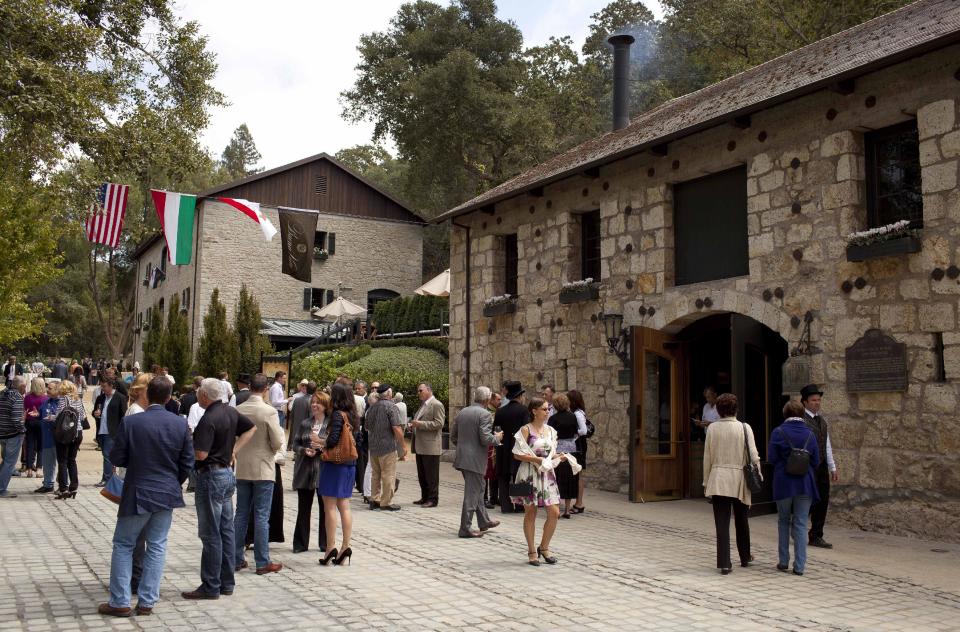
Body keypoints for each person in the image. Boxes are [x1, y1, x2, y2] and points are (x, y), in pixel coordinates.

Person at [97, 377, 194, 618]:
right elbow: (187, 462)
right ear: (170, 397)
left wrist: (138, 463)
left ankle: (120, 601)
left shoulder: (132, 423)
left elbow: (117, 457)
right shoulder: (180, 424)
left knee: (123, 544)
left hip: (138, 490)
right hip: (166, 491)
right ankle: (147, 601)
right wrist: (173, 481)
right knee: (157, 545)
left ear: (148, 395)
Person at [182, 378, 256, 600]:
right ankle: (226, 582)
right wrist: (234, 450)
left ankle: (211, 585)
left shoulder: (208, 418)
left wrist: (190, 443)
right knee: (226, 530)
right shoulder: (229, 411)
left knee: (210, 533)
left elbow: (201, 454)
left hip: (211, 475)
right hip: (226, 474)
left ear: (204, 395)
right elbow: (250, 428)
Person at [512, 397, 577, 565]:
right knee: (530, 512)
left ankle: (544, 547)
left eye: (548, 409)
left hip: (547, 475)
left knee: (554, 512)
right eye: (544, 409)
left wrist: (560, 457)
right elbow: (516, 454)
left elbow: (550, 454)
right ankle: (532, 551)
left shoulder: (550, 430)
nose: (548, 412)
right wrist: (537, 460)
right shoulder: (525, 430)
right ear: (534, 411)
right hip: (528, 474)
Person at [703, 393, 761, 575]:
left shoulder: (712, 429)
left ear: (719, 410)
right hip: (739, 479)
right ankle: (744, 556)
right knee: (742, 520)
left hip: (719, 477)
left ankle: (724, 562)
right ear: (736, 409)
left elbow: (707, 457)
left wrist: (706, 481)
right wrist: (759, 474)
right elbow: (753, 455)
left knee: (722, 523)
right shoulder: (745, 427)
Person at [234, 374, 285, 575]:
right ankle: (262, 561)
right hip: (263, 466)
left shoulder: (239, 409)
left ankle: (236, 557)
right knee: (262, 516)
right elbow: (277, 442)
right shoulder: (269, 411)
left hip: (243, 466)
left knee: (241, 513)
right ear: (265, 389)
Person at [769, 400, 821, 576]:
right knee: (800, 523)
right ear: (801, 414)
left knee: (783, 520)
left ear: (785, 414)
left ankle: (783, 561)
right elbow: (816, 461)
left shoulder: (778, 432)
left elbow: (772, 458)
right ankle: (799, 566)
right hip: (805, 483)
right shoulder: (810, 434)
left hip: (784, 482)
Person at [451, 386, 503, 537]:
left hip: (463, 458)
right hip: (474, 460)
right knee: (472, 493)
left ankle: (484, 521)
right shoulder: (485, 414)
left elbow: (454, 436)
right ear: (487, 400)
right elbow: (485, 438)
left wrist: (464, 447)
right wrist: (497, 438)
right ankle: (465, 528)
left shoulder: (463, 411)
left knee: (479, 489)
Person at [318, 383, 357, 566]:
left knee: (330, 507)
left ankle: (330, 547)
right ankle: (345, 547)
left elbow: (333, 439)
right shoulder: (353, 415)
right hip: (349, 464)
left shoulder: (336, 414)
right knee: (345, 505)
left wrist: (321, 443)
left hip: (334, 464)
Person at [292, 391, 330, 553]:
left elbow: (335, 446)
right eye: (313, 402)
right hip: (305, 472)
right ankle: (300, 544)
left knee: (325, 509)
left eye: (318, 403)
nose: (314, 405)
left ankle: (325, 543)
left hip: (324, 472)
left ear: (325, 406)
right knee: (303, 509)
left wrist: (322, 447)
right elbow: (295, 445)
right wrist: (303, 450)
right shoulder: (305, 423)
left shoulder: (331, 424)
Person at [801, 384, 838, 549]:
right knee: (808, 500)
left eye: (818, 400)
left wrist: (832, 466)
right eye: (813, 400)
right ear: (805, 402)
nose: (817, 403)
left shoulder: (822, 421)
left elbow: (827, 444)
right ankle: (798, 528)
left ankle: (816, 534)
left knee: (823, 500)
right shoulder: (802, 420)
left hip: (821, 466)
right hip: (808, 466)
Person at [365, 384, 406, 511]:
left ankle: (375, 499)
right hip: (387, 446)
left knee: (375, 475)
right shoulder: (391, 406)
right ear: (388, 393)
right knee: (388, 474)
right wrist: (403, 446)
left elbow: (367, 426)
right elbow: (396, 428)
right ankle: (386, 502)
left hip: (374, 446)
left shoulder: (372, 408)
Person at [548, 392, 585, 518]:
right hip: (571, 449)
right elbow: (576, 431)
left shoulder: (553, 419)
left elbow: (550, 434)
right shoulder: (573, 417)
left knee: (557, 478)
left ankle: (557, 508)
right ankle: (568, 510)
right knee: (569, 479)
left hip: (558, 451)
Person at [410, 382, 445, 508]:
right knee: (422, 474)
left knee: (431, 475)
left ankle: (432, 499)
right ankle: (424, 497)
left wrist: (420, 424)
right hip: (420, 445)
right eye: (418, 391)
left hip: (431, 447)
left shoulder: (436, 404)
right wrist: (413, 426)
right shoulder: (423, 405)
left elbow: (439, 424)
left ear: (429, 390)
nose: (418, 393)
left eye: (420, 390)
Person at [495, 381, 527, 513]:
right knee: (519, 475)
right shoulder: (523, 411)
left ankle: (506, 505)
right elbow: (526, 430)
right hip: (518, 447)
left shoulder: (500, 411)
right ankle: (519, 505)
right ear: (519, 396)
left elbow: (495, 430)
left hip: (503, 448)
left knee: (504, 476)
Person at [54, 380, 86, 499]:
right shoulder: (78, 399)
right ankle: (74, 486)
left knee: (62, 461)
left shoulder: (63, 399)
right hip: (78, 432)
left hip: (65, 433)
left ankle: (63, 489)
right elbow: (82, 416)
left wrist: (51, 417)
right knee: (72, 460)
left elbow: (58, 416)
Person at [93, 380, 128, 487]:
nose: (102, 388)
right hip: (101, 431)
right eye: (101, 386)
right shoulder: (101, 398)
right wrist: (95, 413)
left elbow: (124, 416)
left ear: (111, 386)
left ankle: (106, 479)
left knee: (107, 455)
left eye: (104, 386)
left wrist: (122, 433)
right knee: (107, 455)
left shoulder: (120, 398)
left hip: (112, 432)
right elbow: (95, 411)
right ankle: (111, 477)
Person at [0, 377, 26, 498]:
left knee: (5, 462)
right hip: (12, 434)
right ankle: (1, 489)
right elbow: (16, 420)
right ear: (21, 386)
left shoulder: (3, 394)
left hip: (2, 433)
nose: (25, 388)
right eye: (25, 386)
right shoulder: (17, 397)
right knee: (9, 463)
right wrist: (23, 430)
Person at [36, 381, 61, 493]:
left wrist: (54, 417)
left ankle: (63, 485)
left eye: (50, 388)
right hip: (46, 438)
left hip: (58, 439)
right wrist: (36, 414)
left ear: (57, 390)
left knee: (61, 463)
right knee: (47, 463)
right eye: (47, 388)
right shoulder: (46, 401)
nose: (47, 390)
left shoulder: (62, 403)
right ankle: (47, 484)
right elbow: (40, 414)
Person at [568, 389, 590, 514]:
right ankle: (578, 502)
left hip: (579, 446)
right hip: (578, 445)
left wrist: (574, 433)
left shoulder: (578, 414)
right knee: (577, 474)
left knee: (579, 474)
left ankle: (579, 503)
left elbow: (584, 430)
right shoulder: (577, 412)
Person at [22, 377, 47, 480]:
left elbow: (25, 409)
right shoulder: (45, 398)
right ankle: (39, 468)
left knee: (30, 445)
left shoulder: (27, 397)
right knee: (41, 445)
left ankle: (28, 468)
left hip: (29, 421)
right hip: (41, 422)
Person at [484, 391, 502, 508]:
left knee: (495, 471)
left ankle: (494, 497)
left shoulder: (500, 412)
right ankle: (484, 497)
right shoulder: (485, 412)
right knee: (486, 471)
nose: (500, 402)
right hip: (487, 444)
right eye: (498, 400)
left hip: (497, 443)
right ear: (491, 400)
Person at [288, 380, 315, 451]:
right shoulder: (313, 402)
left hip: (296, 430)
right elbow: (312, 418)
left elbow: (292, 415)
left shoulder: (297, 400)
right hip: (306, 432)